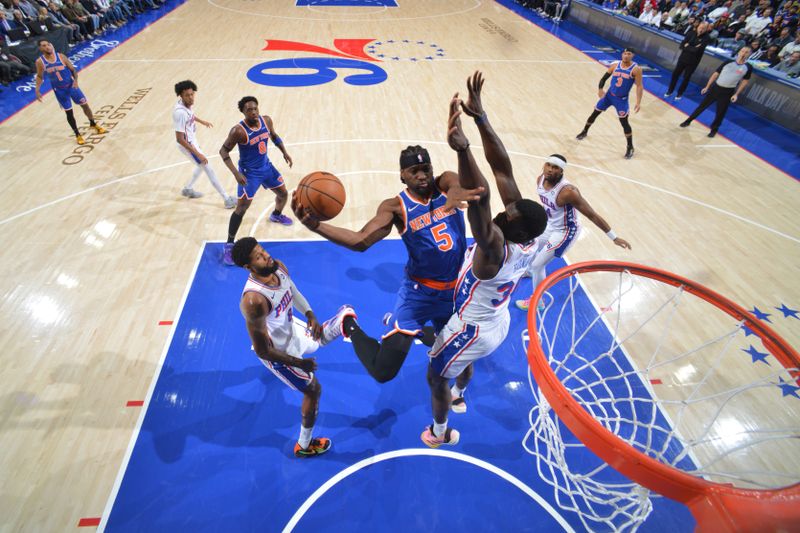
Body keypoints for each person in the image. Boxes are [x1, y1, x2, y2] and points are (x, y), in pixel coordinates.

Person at [419, 94, 549, 448]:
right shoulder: (527, 236)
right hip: (493, 320)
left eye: (510, 216)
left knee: (434, 376)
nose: (505, 213)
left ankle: (440, 433)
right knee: (463, 362)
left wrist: (462, 150)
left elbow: (478, 196)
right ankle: (460, 394)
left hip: (472, 327)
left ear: (516, 231)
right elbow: (503, 170)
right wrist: (481, 119)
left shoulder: (495, 249)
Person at [291, 146, 482, 384]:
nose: (422, 175)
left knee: (461, 359)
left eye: (426, 169)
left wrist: (455, 190)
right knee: (383, 371)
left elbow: (454, 180)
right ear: (402, 175)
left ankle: (451, 382)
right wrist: (316, 226)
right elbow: (361, 240)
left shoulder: (444, 185)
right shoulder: (395, 207)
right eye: (415, 171)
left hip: (456, 291)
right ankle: (347, 323)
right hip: (420, 295)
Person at [231, 236, 355, 458]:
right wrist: (299, 363)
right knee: (313, 389)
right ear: (248, 267)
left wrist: (309, 314)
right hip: (276, 352)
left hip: (290, 329)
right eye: (259, 256)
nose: (266, 255)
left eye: (263, 250)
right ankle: (304, 445)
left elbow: (293, 291)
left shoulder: (278, 268)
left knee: (317, 341)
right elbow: (262, 350)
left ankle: (332, 327)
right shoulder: (253, 301)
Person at [220, 96, 294, 265]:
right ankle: (230, 244)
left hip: (266, 168)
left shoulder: (266, 121)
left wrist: (284, 152)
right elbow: (223, 151)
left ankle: (276, 215)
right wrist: (235, 174)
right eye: (249, 110)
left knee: (283, 194)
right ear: (243, 112)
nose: (253, 112)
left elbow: (274, 136)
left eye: (255, 109)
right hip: (249, 174)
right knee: (242, 208)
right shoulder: (238, 131)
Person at [172, 80, 235, 208]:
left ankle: (187, 189)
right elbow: (180, 139)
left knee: (201, 167)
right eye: (187, 95)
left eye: (192, 94)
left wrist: (202, 121)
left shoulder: (186, 105)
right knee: (208, 168)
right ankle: (227, 199)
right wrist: (197, 154)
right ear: (181, 96)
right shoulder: (180, 113)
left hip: (192, 141)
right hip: (188, 145)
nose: (190, 98)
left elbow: (191, 116)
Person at [575, 47, 643, 159]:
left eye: (629, 54)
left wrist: (638, 102)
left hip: (621, 100)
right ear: (622, 54)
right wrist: (600, 89)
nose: (626, 55)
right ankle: (584, 131)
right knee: (594, 113)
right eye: (624, 53)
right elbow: (603, 79)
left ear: (632, 56)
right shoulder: (615, 66)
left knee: (624, 123)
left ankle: (630, 146)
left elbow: (639, 86)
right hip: (609, 96)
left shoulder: (636, 69)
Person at [34, 39, 106, 145]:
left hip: (71, 86)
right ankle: (77, 134)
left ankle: (93, 123)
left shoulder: (61, 56)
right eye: (44, 46)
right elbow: (40, 76)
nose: (47, 47)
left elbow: (73, 70)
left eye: (48, 44)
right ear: (40, 48)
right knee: (69, 113)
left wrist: (76, 81)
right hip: (59, 90)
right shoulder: (40, 62)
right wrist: (37, 89)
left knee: (85, 106)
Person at [679, 45, 752, 137]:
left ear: (749, 54)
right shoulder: (728, 62)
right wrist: (707, 86)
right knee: (702, 107)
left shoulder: (748, 67)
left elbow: (745, 82)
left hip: (727, 92)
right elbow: (715, 74)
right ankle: (688, 121)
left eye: (746, 52)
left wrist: (736, 94)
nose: (743, 53)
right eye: (742, 51)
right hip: (716, 88)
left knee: (720, 112)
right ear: (739, 52)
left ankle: (714, 129)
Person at [665, 21, 712, 100]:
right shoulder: (691, 33)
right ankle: (670, 90)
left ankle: (679, 93)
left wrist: (688, 46)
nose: (701, 29)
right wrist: (692, 47)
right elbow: (682, 45)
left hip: (693, 62)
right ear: (698, 26)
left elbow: (697, 50)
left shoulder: (707, 38)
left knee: (686, 78)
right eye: (700, 27)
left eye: (703, 28)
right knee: (675, 75)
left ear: (706, 29)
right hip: (683, 58)